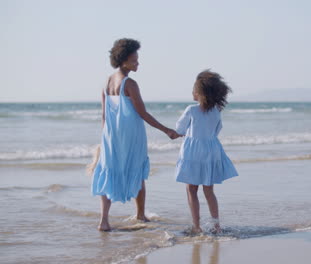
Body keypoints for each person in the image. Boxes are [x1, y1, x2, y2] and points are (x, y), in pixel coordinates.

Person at [91, 38, 179, 231]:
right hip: (131, 137)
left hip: (111, 136)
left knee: (109, 173)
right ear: (123, 60)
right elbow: (143, 113)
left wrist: (106, 137)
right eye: (134, 59)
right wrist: (167, 130)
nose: (138, 63)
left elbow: (104, 115)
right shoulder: (130, 83)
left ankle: (104, 221)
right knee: (137, 172)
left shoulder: (106, 82)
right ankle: (140, 215)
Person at [175, 70, 238, 234]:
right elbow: (217, 130)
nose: (192, 92)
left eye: (194, 89)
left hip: (193, 153)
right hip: (211, 151)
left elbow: (180, 129)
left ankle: (197, 226)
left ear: (199, 93)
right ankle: (216, 226)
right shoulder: (216, 111)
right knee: (209, 190)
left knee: (191, 189)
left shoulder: (191, 109)